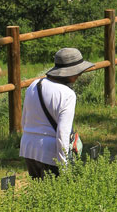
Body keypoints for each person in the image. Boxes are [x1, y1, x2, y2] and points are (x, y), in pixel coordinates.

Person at [19, 47, 93, 179]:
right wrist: (64, 167)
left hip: (28, 147)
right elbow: (62, 134)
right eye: (78, 71)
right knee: (59, 194)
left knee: (39, 193)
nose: (80, 74)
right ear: (70, 73)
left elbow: (24, 120)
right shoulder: (67, 94)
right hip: (50, 152)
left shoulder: (34, 85)